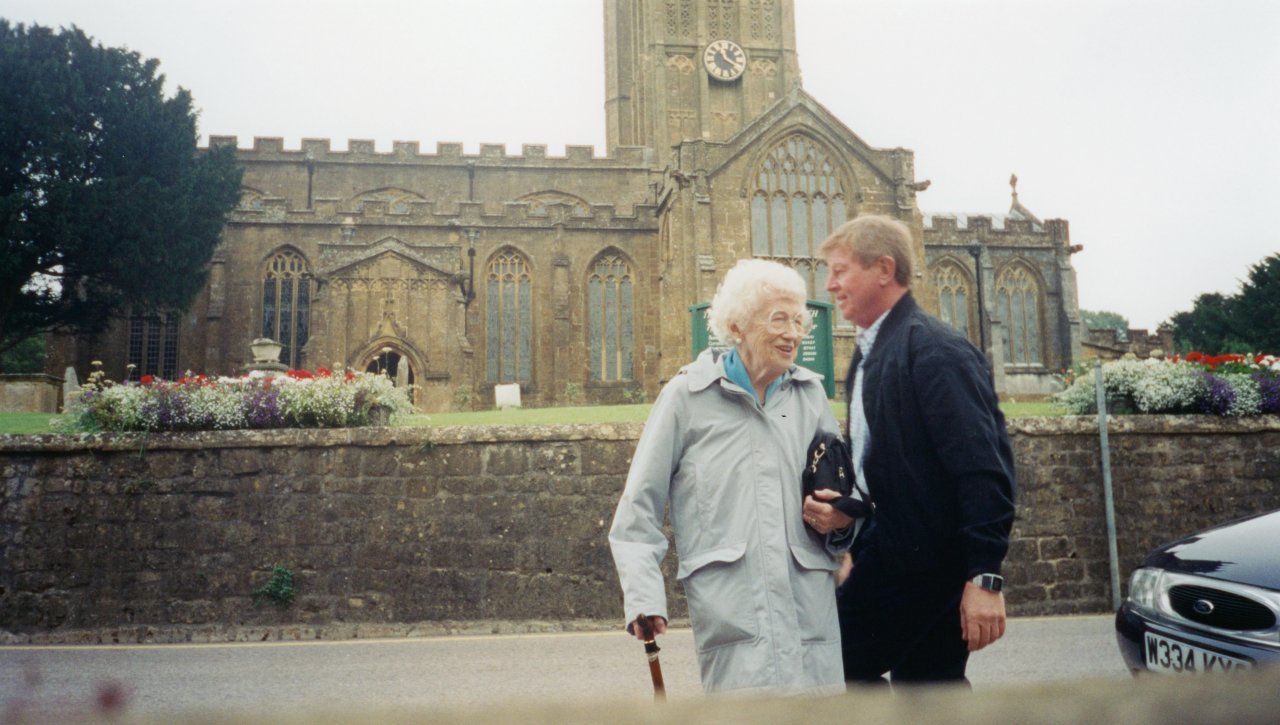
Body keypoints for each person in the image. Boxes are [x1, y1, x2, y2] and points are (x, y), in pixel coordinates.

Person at [609, 258, 850, 695]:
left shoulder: (810, 395)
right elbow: (638, 508)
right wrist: (644, 598)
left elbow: (841, 493)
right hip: (734, 612)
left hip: (808, 613)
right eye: (780, 319)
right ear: (737, 326)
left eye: (800, 321)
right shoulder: (687, 396)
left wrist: (841, 522)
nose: (794, 333)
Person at [804, 215, 1016, 687]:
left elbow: (984, 470)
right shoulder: (870, 352)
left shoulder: (935, 350)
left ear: (884, 268)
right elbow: (886, 471)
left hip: (925, 568)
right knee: (930, 690)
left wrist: (985, 577)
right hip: (896, 557)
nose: (829, 284)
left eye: (840, 270)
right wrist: (852, 522)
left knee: (825, 668)